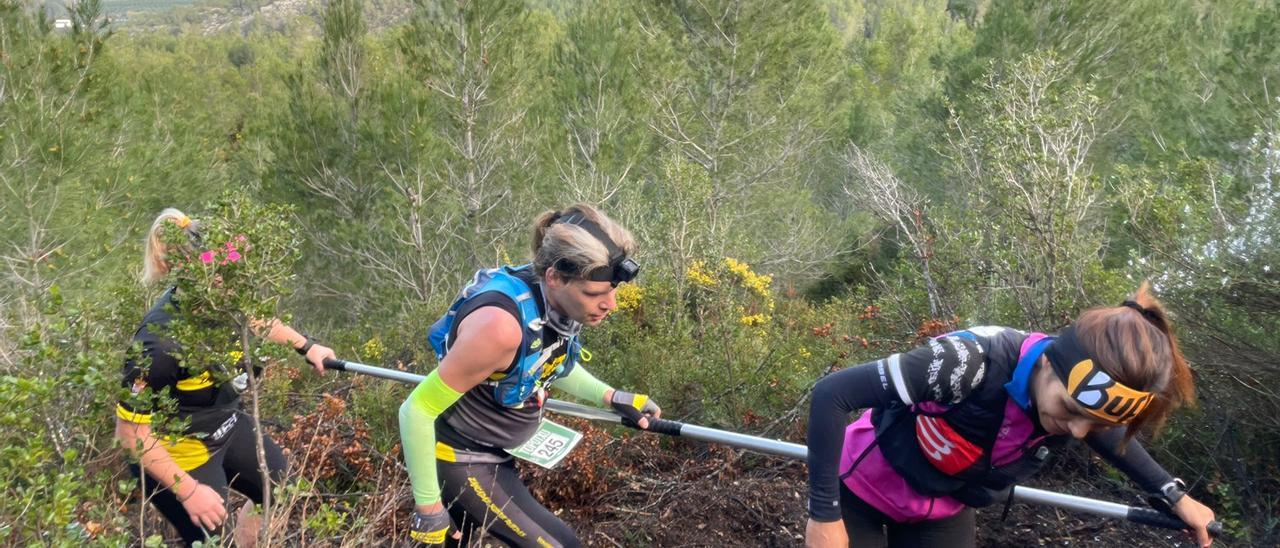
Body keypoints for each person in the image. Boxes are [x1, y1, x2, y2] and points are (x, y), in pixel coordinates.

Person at [804, 283, 1218, 548]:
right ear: (1049, 364)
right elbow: (832, 394)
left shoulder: (1080, 399)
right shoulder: (967, 362)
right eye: (1071, 411)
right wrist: (823, 517)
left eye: (1095, 422)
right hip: (863, 487)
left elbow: (1099, 429)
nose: (1077, 430)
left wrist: (1172, 494)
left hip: (945, 505)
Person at [399, 204, 660, 548]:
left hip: (495, 447)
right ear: (554, 276)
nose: (610, 304)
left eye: (612, 291)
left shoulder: (552, 302)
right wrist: (428, 508)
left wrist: (610, 396)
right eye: (595, 294)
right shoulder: (499, 328)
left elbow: (546, 362)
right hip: (464, 457)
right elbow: (416, 410)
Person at [115, 208, 337, 547]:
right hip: (181, 451)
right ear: (191, 273)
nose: (233, 281)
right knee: (212, 541)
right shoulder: (158, 343)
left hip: (227, 424)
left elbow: (256, 319)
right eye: (222, 271)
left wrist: (307, 346)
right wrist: (189, 492)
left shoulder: (223, 298)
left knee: (286, 490)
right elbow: (132, 436)